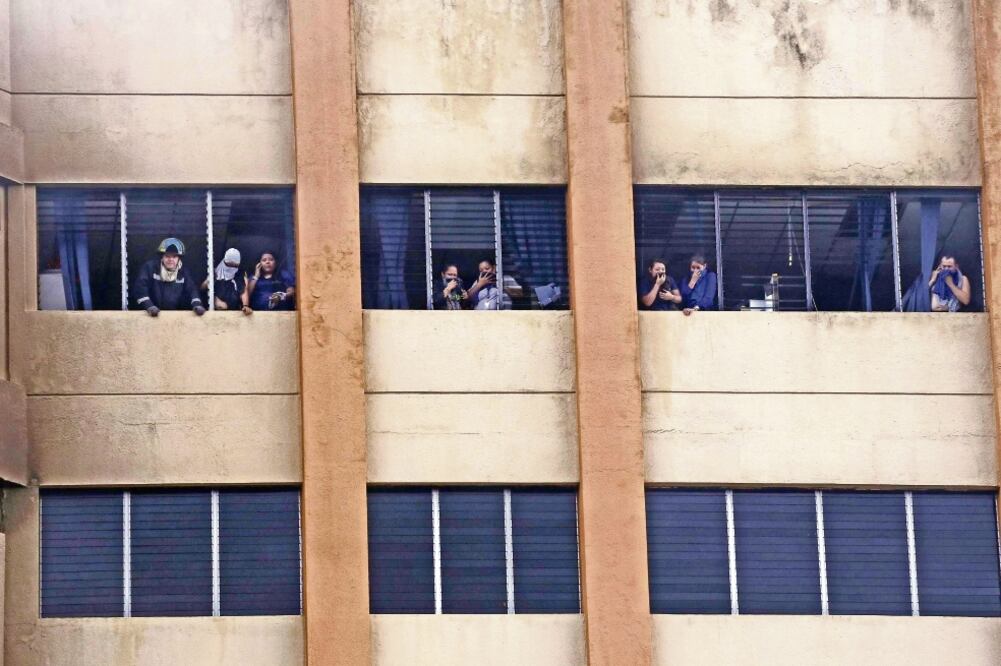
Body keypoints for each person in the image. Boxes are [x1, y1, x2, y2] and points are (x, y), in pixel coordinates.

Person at [133, 237, 205, 316]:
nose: (170, 259)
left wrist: (197, 305)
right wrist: (149, 306)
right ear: (162, 257)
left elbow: (192, 290)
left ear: (179, 258)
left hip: (175, 316)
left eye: (174, 257)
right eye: (167, 256)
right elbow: (140, 289)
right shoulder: (150, 268)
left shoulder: (183, 272)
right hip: (151, 315)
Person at [202, 248, 251, 314]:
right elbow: (202, 289)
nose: (231, 268)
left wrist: (245, 306)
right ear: (225, 262)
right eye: (229, 265)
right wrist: (209, 280)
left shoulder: (240, 274)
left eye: (234, 266)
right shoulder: (214, 270)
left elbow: (243, 291)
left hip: (234, 311)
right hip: (215, 312)